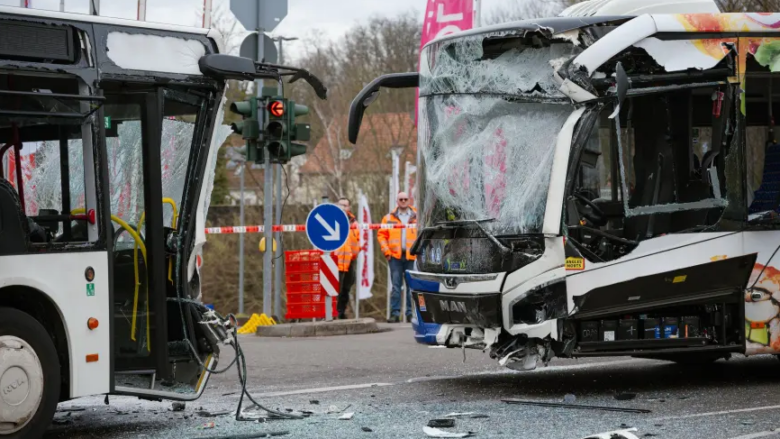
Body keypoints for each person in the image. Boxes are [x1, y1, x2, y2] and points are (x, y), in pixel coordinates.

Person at [378, 192, 417, 323]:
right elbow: (381, 235)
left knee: (411, 286)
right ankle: (395, 314)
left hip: (412, 256)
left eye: (406, 199)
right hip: (394, 257)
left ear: (409, 200)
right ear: (397, 201)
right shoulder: (388, 218)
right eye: (401, 199)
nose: (404, 201)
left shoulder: (417, 216)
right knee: (396, 286)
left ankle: (411, 314)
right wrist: (387, 252)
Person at [335, 197, 360, 320]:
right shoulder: (331, 220)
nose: (344, 208)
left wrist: (354, 255)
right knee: (335, 288)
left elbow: (358, 241)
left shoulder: (354, 222)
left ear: (349, 207)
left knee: (347, 287)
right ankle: (332, 312)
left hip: (350, 260)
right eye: (341, 205)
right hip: (335, 260)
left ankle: (341, 311)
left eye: (346, 205)